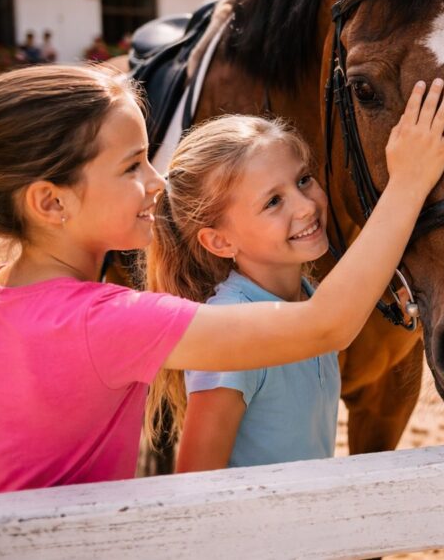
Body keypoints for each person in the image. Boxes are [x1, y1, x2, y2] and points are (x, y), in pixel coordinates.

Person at [0, 65, 444, 496]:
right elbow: (326, 326)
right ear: (52, 202)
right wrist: (409, 182)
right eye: (133, 166)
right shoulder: (105, 321)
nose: (157, 182)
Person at [144, 115, 339, 470]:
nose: (306, 206)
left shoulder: (309, 297)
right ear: (220, 241)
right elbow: (196, 477)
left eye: (303, 180)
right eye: (273, 202)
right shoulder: (228, 332)